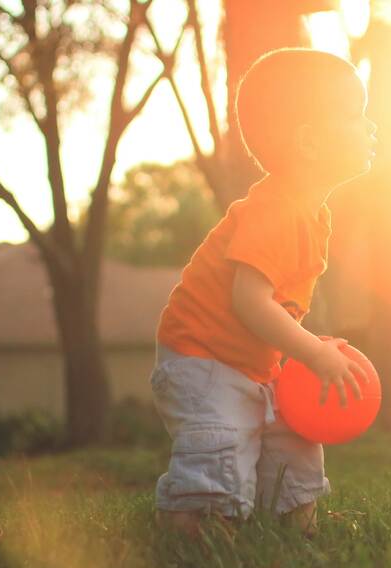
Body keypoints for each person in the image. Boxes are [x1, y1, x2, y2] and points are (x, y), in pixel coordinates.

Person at [150, 48, 378, 539]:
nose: (370, 126)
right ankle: (194, 520)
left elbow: (274, 309)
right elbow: (248, 302)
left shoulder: (310, 212)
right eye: (355, 113)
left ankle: (294, 521)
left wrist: (301, 350)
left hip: (250, 358)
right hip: (202, 355)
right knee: (223, 439)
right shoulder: (275, 209)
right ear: (310, 142)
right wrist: (312, 350)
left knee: (292, 431)